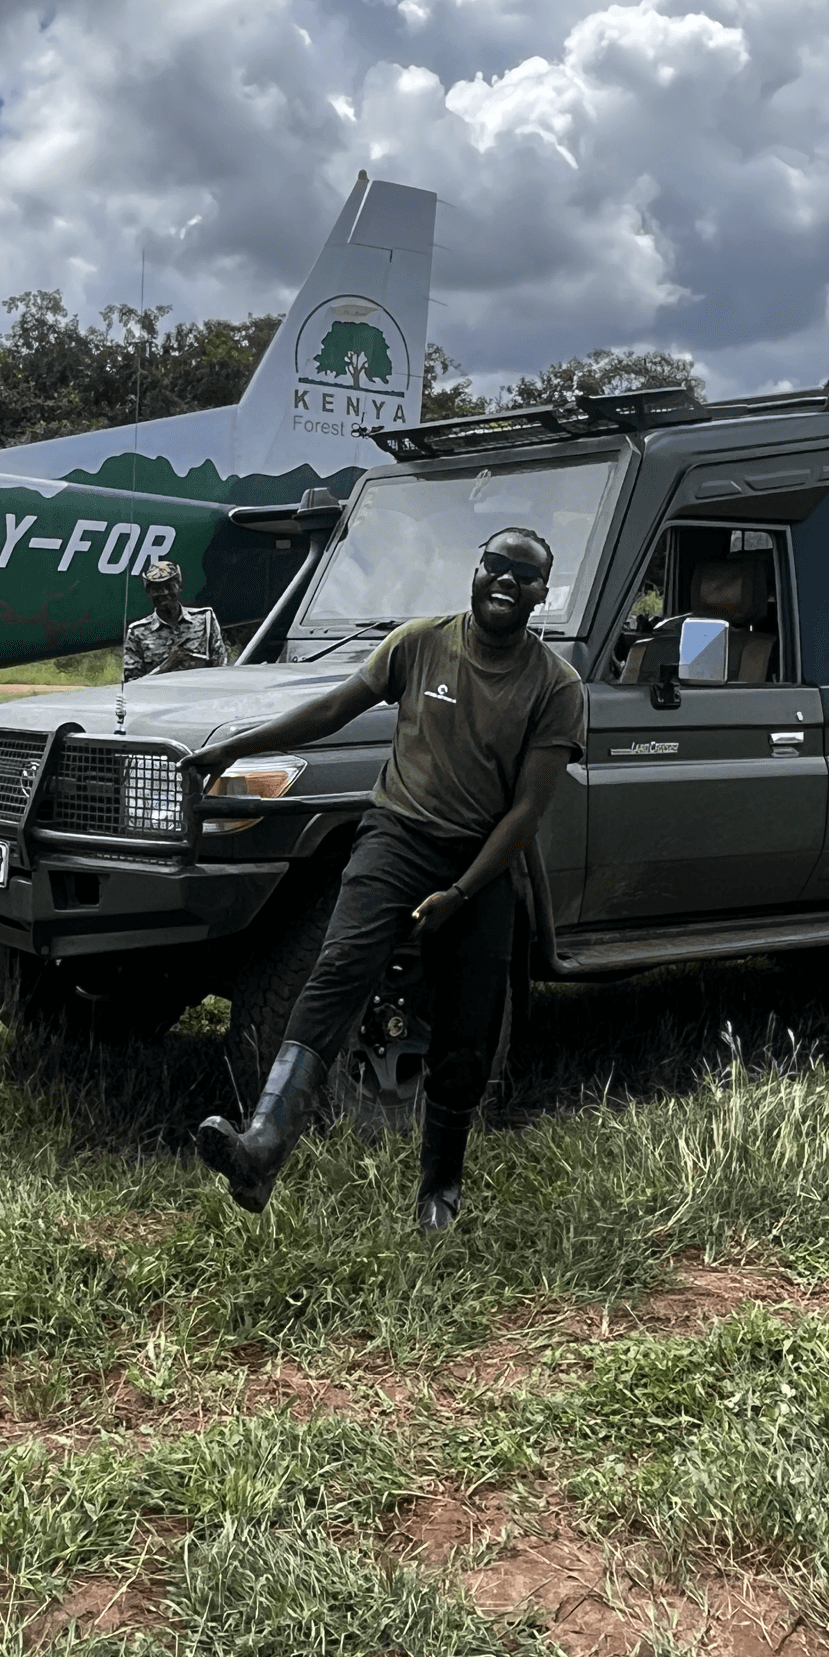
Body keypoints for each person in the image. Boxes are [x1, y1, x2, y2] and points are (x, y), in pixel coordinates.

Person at [184, 526, 585, 1232]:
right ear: (476, 570)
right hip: (395, 834)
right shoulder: (421, 641)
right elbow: (333, 708)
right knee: (338, 968)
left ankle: (440, 1191)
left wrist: (461, 893)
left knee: (468, 1026)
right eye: (497, 565)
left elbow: (526, 812)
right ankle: (261, 1149)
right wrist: (235, 746)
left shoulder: (555, 685)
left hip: (481, 860)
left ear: (541, 595)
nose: (507, 581)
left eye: (525, 576)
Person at [123, 556, 229, 679]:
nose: (164, 593)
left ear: (179, 587)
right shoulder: (137, 632)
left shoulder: (205, 618)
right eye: (156, 589)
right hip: (160, 696)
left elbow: (221, 666)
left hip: (202, 693)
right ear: (148, 593)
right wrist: (167, 666)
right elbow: (132, 684)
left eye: (169, 587)